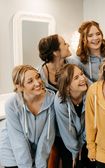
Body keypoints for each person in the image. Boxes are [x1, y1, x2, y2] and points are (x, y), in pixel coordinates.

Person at [0, 65, 55, 167]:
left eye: (37, 77)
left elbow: (47, 137)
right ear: (19, 86)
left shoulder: (51, 100)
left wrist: (40, 165)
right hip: (12, 153)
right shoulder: (12, 105)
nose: (37, 82)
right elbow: (18, 142)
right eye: (30, 81)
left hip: (35, 153)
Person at [38, 34, 72, 167]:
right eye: (64, 44)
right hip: (51, 125)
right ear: (55, 52)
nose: (68, 44)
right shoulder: (40, 74)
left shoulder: (72, 66)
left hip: (70, 123)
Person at [54, 64, 95, 168]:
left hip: (90, 137)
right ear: (67, 86)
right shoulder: (60, 101)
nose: (83, 78)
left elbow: (91, 123)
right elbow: (66, 131)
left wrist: (83, 145)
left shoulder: (93, 91)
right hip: (68, 141)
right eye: (76, 78)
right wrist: (75, 151)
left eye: (82, 74)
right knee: (72, 163)